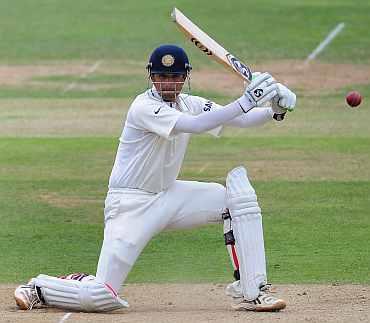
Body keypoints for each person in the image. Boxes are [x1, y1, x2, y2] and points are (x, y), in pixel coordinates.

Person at [14, 44, 296, 313]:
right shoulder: (143, 107)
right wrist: (247, 99)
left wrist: (275, 110)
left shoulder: (190, 102)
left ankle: (252, 291)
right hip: (130, 204)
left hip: (169, 195)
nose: (169, 83)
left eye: (175, 77)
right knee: (101, 296)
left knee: (236, 199)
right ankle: (40, 288)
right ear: (151, 76)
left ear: (186, 77)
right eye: (162, 76)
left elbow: (240, 120)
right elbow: (197, 125)